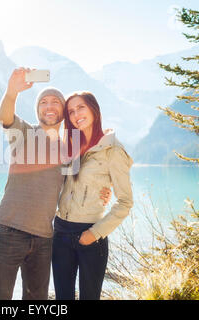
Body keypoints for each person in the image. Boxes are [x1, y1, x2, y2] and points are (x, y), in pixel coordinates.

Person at [0, 68, 111, 300]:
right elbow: (4, 117)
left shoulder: (69, 149)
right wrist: (12, 92)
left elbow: (82, 182)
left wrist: (104, 192)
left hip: (44, 239)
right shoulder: (23, 133)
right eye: (44, 102)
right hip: (8, 231)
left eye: (55, 102)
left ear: (63, 111)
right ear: (38, 110)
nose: (49, 106)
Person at [52, 91, 134, 300]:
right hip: (60, 232)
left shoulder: (113, 150)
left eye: (81, 107)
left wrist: (94, 234)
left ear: (93, 109)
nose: (76, 114)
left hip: (90, 234)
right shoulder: (71, 146)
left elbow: (125, 202)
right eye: (71, 111)